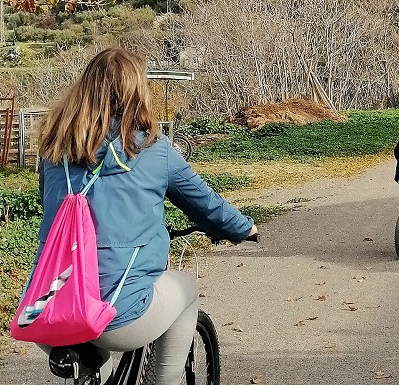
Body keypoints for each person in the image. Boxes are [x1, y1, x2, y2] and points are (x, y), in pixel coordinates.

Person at [33, 48, 257, 384]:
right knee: (186, 289)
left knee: (94, 357)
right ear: (138, 93)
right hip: (116, 317)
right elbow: (207, 205)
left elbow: (49, 204)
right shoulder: (155, 150)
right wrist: (244, 228)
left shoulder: (54, 149)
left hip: (46, 312)